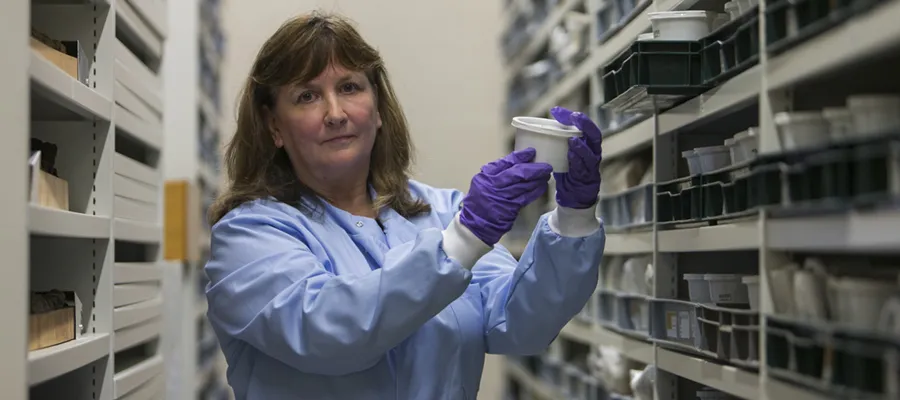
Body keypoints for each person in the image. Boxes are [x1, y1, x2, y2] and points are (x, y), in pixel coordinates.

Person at [204, 11, 606, 400]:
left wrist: (573, 217)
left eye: (349, 87)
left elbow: (520, 325)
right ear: (274, 125)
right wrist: (464, 242)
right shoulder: (247, 236)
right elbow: (325, 332)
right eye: (307, 96)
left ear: (377, 108)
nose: (335, 114)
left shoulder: (441, 211)